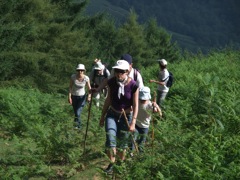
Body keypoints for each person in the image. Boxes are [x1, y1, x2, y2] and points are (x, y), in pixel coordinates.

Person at [99, 60, 139, 174]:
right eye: (117, 71)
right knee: (111, 140)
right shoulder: (112, 82)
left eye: (121, 71)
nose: (119, 74)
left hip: (126, 116)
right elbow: (108, 100)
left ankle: (120, 165)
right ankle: (111, 165)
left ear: (127, 71)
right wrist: (102, 116)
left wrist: (133, 123)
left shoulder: (133, 85)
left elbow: (136, 105)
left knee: (123, 144)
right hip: (111, 114)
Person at [133, 86, 161, 153]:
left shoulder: (150, 105)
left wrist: (156, 106)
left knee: (142, 142)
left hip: (145, 126)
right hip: (136, 124)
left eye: (144, 99)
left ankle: (141, 155)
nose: (142, 100)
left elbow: (160, 114)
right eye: (141, 99)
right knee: (133, 139)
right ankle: (131, 153)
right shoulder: (137, 102)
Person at [68, 64, 91, 130]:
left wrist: (89, 96)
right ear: (76, 70)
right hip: (74, 96)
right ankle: (75, 125)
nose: (80, 72)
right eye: (78, 70)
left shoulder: (86, 78)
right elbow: (70, 87)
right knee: (76, 112)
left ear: (84, 71)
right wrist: (69, 97)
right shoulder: (73, 77)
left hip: (82, 97)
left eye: (81, 70)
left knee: (78, 112)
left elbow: (89, 88)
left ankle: (79, 126)